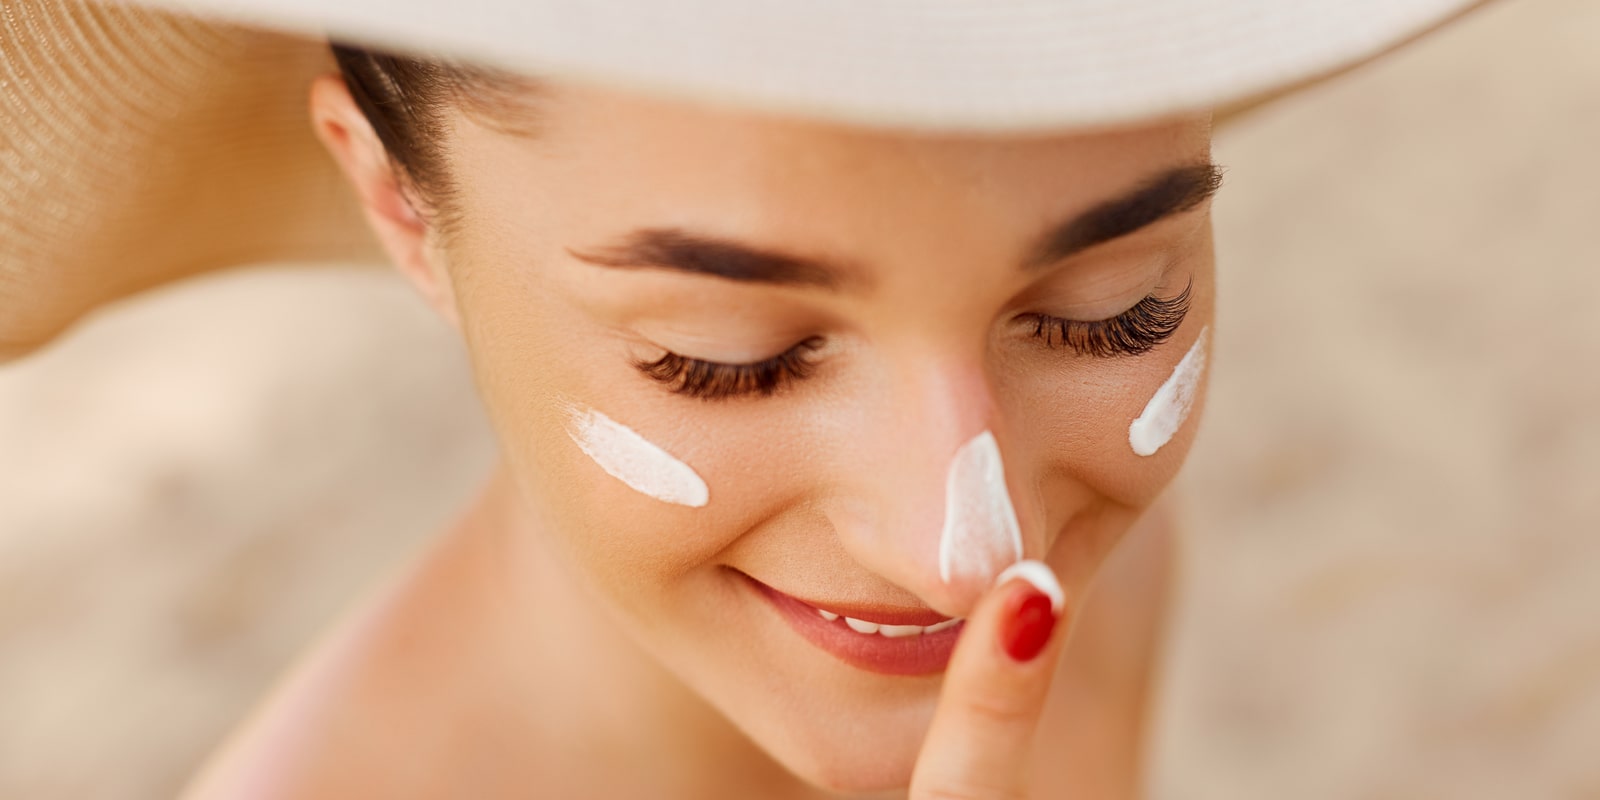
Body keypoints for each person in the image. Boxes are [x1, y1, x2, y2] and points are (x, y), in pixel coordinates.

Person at [0, 1, 1487, 796]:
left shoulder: (1085, 558)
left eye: (1111, 316)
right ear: (398, 200)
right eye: (732, 355)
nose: (966, 550)